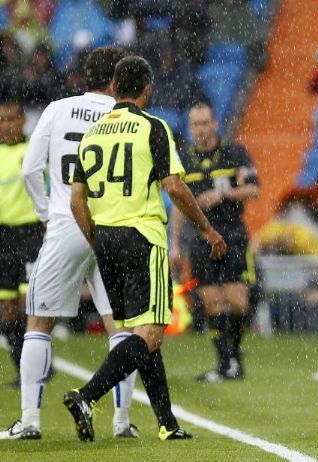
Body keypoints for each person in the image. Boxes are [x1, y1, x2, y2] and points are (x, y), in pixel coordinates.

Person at [66, 55, 226, 442]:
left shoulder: (93, 133)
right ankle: (86, 396)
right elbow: (173, 186)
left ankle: (167, 423)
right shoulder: (153, 127)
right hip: (142, 236)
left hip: (105, 237)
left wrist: (96, 239)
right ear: (147, 89)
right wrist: (206, 229)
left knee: (142, 336)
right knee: (151, 332)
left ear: (114, 88)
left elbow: (76, 201)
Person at [0, 46, 141, 441]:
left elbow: (31, 168)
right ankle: (122, 421)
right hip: (112, 227)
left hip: (67, 225)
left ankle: (30, 420)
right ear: (116, 81)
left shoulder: (58, 109)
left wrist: (47, 212)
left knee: (39, 324)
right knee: (121, 327)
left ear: (84, 77)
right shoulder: (127, 118)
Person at [170, 101, 258, 383]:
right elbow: (177, 204)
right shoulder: (184, 160)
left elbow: (253, 189)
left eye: (205, 123)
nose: (200, 129)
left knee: (237, 301)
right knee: (210, 300)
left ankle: (234, 355)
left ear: (215, 123)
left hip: (231, 232)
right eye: (195, 124)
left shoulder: (234, 152)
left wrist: (224, 195)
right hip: (201, 237)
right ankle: (224, 365)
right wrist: (175, 244)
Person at [0, 99, 44, 390]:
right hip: (3, 237)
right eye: (1, 120)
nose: (5, 125)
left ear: (23, 121)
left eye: (11, 119)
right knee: (7, 307)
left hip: (30, 234)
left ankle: (38, 366)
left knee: (31, 305)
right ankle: (22, 369)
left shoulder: (33, 151)